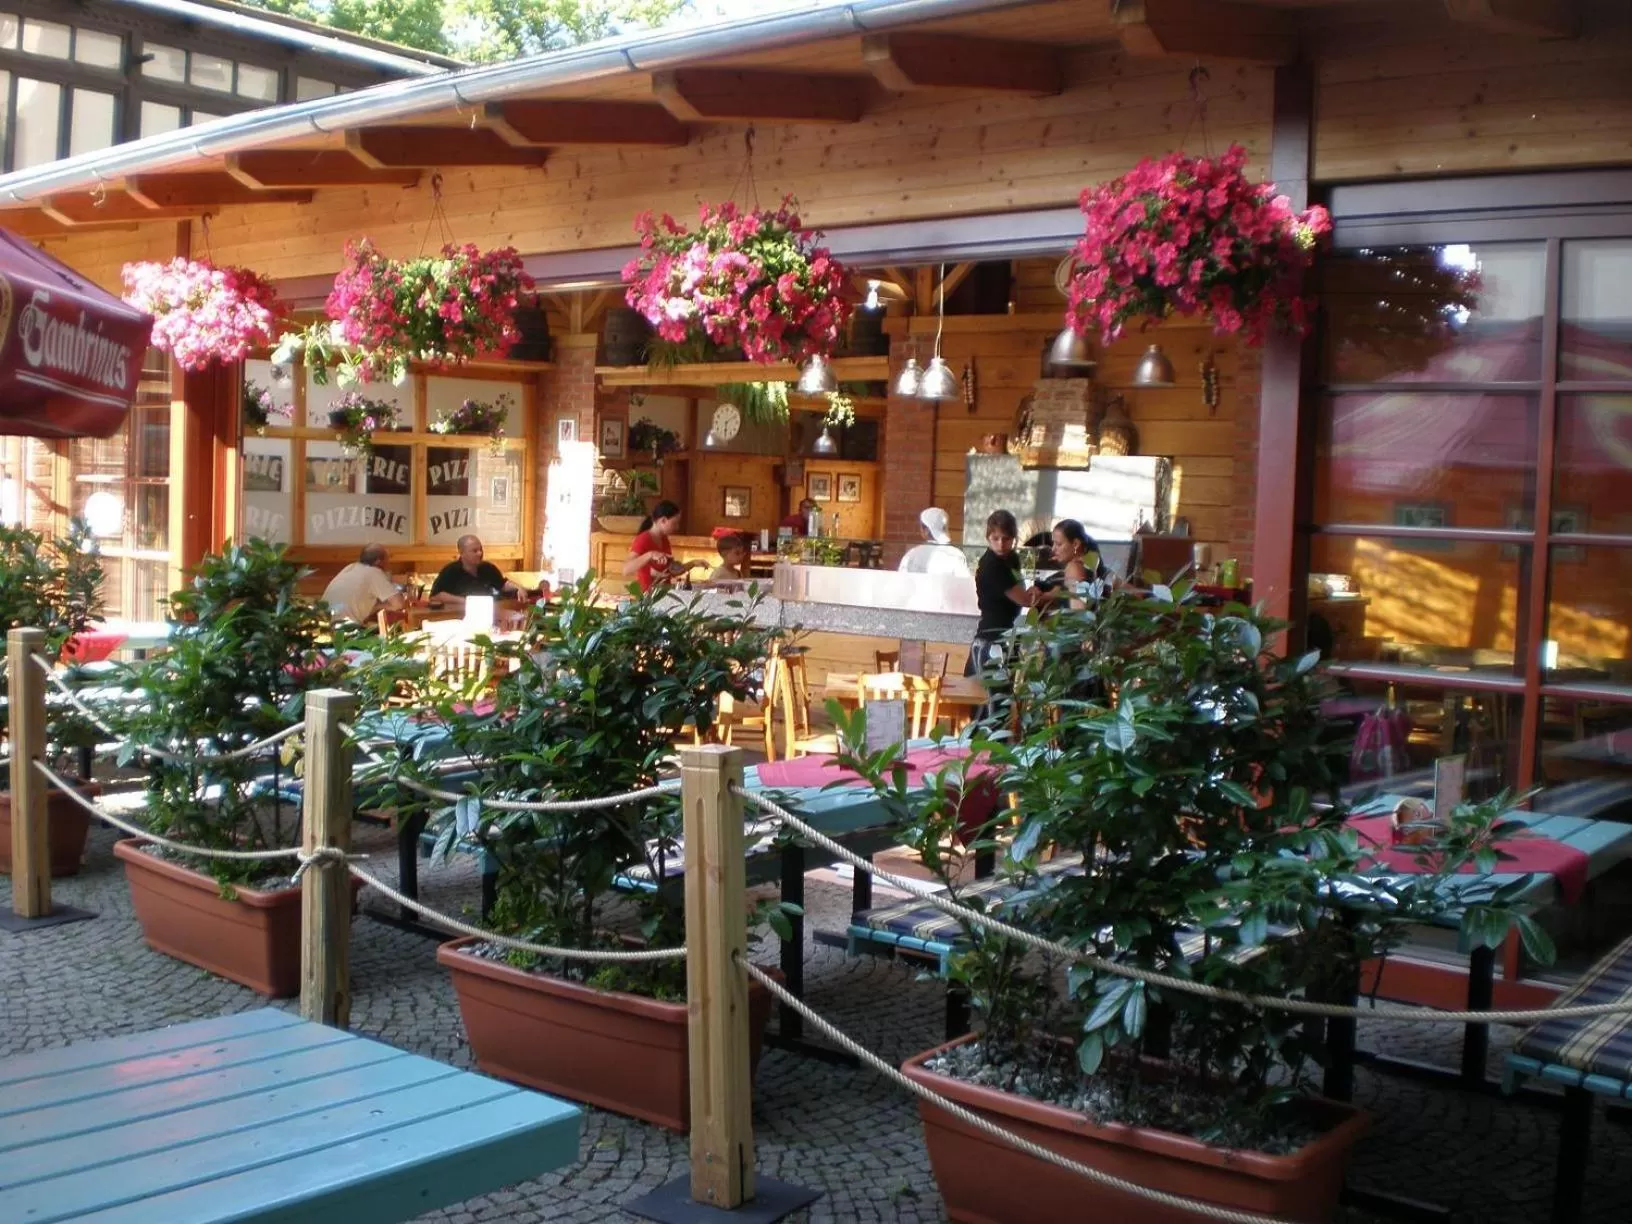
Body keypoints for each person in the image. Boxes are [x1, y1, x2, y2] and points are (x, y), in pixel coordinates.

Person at [967, 510, 1039, 676]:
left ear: (1013, 539)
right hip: (992, 638)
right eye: (995, 538)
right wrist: (1046, 592)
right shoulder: (993, 566)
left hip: (1008, 634)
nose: (1000, 544)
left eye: (1006, 539)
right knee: (989, 696)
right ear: (988, 538)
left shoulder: (1010, 558)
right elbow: (1026, 600)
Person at [624, 500, 704, 592]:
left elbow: (670, 571)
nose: (677, 527)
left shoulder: (664, 539)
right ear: (663, 520)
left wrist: (693, 563)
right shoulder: (643, 539)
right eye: (674, 523)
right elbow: (626, 569)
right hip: (647, 596)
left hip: (663, 593)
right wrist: (650, 555)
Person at [428, 535, 522, 612]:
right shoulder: (451, 570)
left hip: (489, 612)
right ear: (462, 552)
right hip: (459, 614)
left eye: (481, 549)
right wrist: (466, 601)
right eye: (475, 551)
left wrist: (518, 588)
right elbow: (435, 596)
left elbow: (502, 584)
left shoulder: (488, 568)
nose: (480, 553)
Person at [322, 543, 405, 626]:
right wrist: (380, 606)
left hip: (324, 625)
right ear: (378, 561)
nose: (388, 563)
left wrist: (376, 607)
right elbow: (399, 604)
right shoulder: (374, 572)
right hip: (346, 629)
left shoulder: (350, 567)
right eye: (387, 559)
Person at [898, 507, 972, 577]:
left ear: (926, 531)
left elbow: (902, 583)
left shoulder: (912, 554)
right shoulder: (956, 554)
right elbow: (964, 583)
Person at [1049, 518, 1104, 609]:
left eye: (1058, 544)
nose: (1053, 549)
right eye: (1053, 543)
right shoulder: (1089, 565)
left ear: (1075, 544)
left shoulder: (1075, 568)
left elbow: (1079, 614)